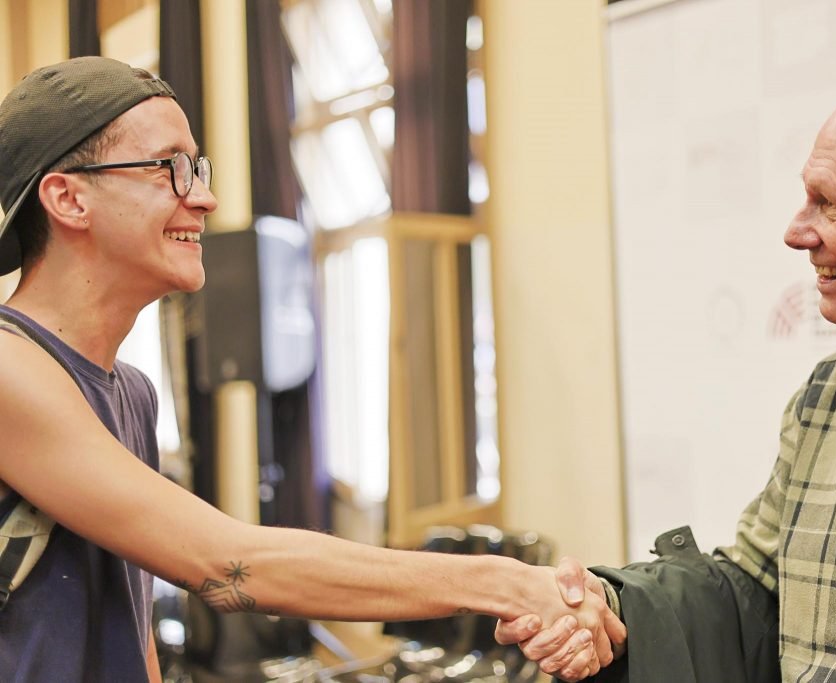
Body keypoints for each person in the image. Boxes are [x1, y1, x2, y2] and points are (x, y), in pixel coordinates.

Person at [0, 56, 625, 682]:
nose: (205, 197)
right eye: (171, 169)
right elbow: (228, 563)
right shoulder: (8, 369)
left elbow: (132, 634)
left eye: (199, 167)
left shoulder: (131, 392)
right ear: (68, 198)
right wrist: (504, 582)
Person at [500, 72, 836, 681]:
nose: (796, 232)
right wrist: (609, 609)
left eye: (828, 202)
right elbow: (751, 590)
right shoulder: (826, 398)